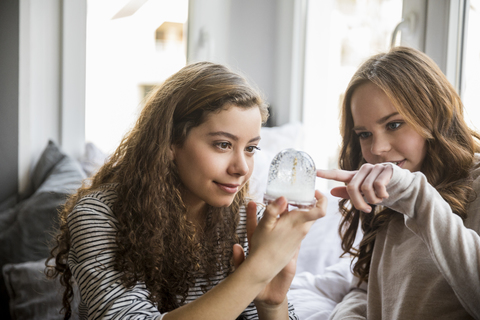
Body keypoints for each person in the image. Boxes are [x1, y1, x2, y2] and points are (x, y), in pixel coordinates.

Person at [46, 61, 326, 320]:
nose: (242, 167)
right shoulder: (98, 214)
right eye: (223, 144)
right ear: (170, 142)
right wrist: (257, 270)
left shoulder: (245, 219)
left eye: (250, 148)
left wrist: (272, 304)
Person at [317, 46, 480, 319]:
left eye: (394, 125)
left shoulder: (475, 183)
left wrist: (416, 197)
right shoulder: (389, 198)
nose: (378, 149)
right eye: (365, 134)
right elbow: (366, 289)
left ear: (432, 114)